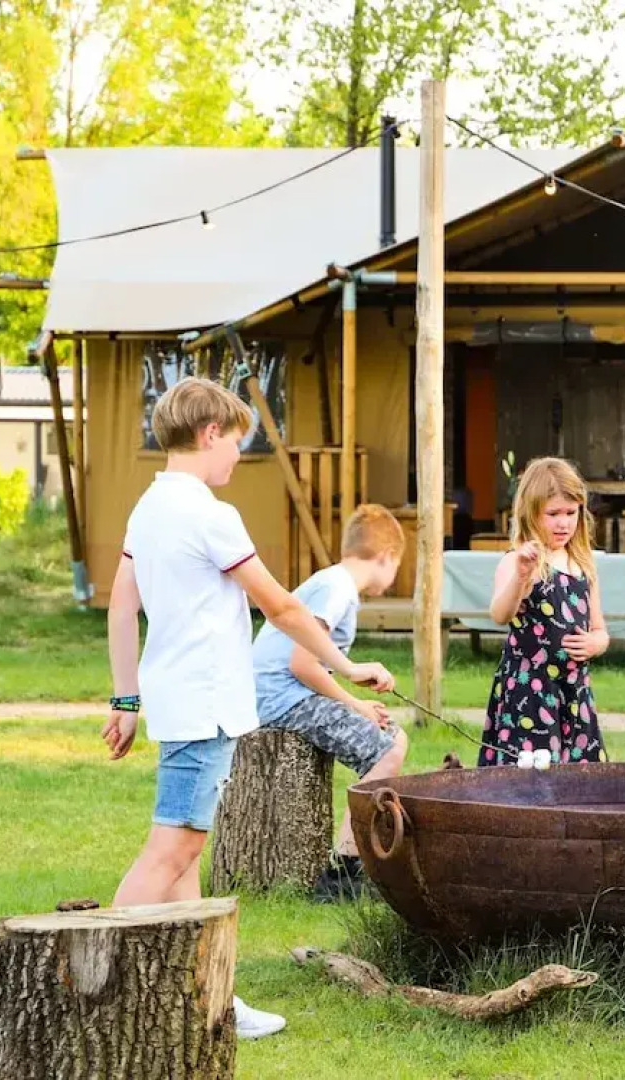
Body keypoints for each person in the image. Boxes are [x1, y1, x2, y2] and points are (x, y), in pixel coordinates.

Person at [101, 376, 395, 1040]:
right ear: (210, 434)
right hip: (204, 705)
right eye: (236, 443)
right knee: (172, 848)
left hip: (180, 700)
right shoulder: (209, 514)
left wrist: (124, 698)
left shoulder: (147, 506)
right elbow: (282, 606)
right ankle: (96, 983)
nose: (237, 456)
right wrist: (349, 665)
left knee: (187, 862)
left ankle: (214, 1000)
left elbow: (123, 603)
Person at [251, 503, 408, 903]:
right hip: (281, 695)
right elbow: (302, 663)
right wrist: (356, 704)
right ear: (388, 556)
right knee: (388, 746)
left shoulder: (331, 582)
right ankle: (345, 873)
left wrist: (355, 698)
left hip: (278, 692)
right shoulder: (338, 590)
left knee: (388, 739)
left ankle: (350, 864)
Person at [479, 456, 609, 767]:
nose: (563, 522)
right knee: (529, 774)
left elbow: (599, 628)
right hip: (530, 689)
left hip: (574, 690)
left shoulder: (582, 566)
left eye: (571, 513)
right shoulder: (519, 562)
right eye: (553, 514)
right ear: (530, 512)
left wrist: (596, 644)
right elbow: (499, 614)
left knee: (579, 776)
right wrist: (521, 577)